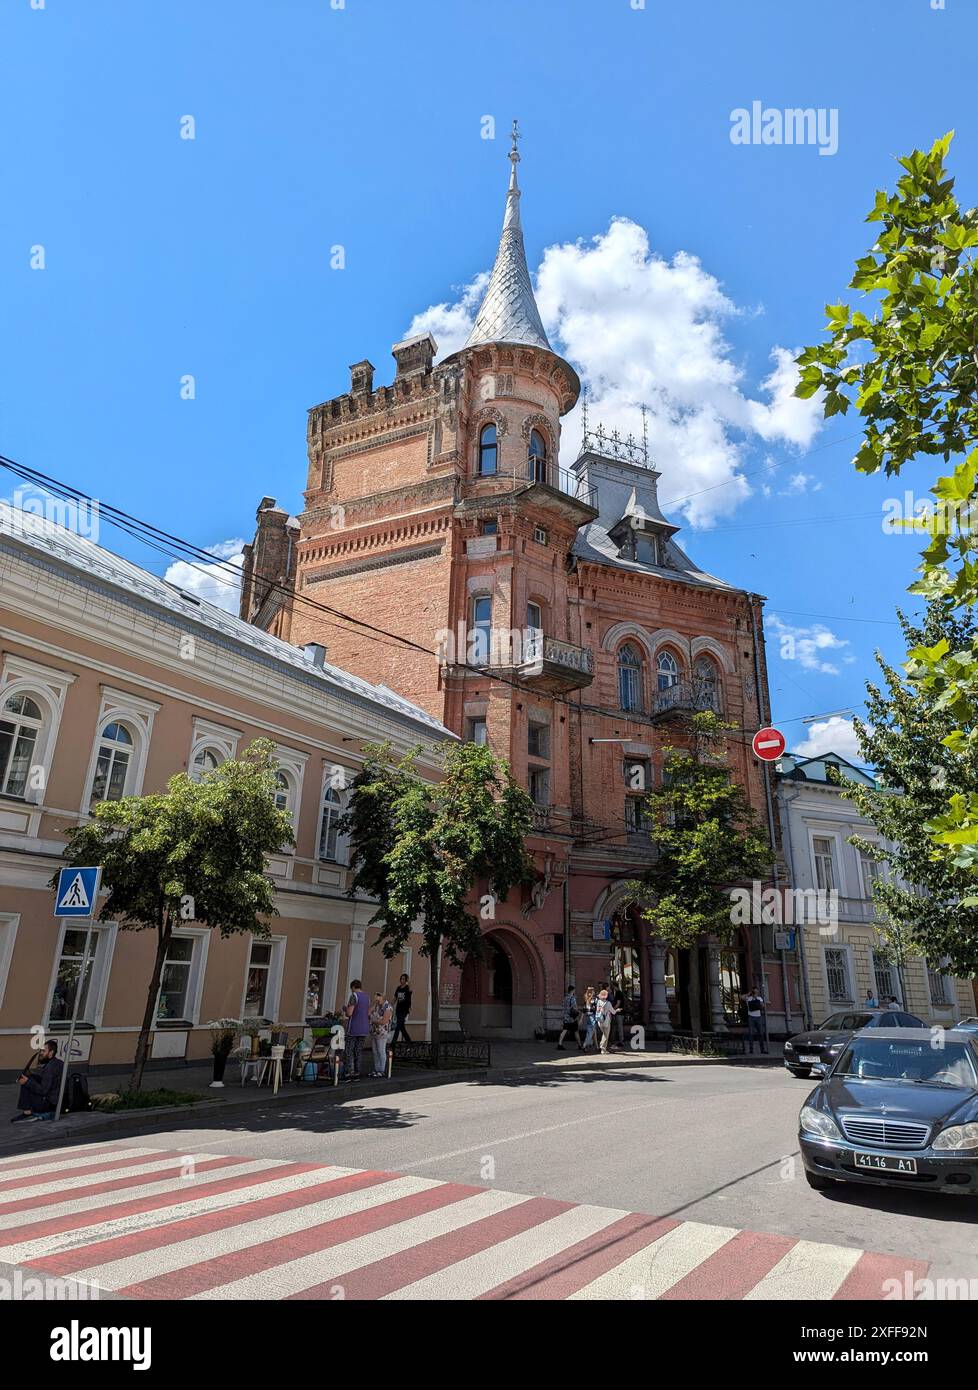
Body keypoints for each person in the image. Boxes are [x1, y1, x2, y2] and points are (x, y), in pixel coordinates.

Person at [11, 1041, 63, 1122]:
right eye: (41, 1051)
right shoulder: (58, 1063)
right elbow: (49, 1081)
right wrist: (31, 1076)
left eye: (43, 1051)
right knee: (29, 1078)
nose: (41, 1053)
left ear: (51, 1052)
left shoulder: (49, 1068)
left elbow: (43, 1090)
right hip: (55, 1099)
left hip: (48, 1103)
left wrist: (28, 1081)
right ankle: (28, 1110)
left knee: (26, 1083)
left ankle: (27, 1112)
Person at [343, 979, 370, 1080]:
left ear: (353, 987)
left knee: (349, 1050)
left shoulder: (354, 996)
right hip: (364, 1027)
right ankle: (357, 1073)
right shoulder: (367, 997)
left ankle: (349, 1073)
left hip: (354, 1027)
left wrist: (345, 1009)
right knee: (358, 1050)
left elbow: (349, 1013)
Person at [368, 992, 393, 1077]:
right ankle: (376, 1069)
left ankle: (381, 1070)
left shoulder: (387, 1007)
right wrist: (375, 1004)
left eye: (378, 997)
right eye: (375, 997)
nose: (376, 999)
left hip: (382, 1033)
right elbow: (368, 1013)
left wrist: (373, 1021)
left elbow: (384, 1021)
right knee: (375, 1051)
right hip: (375, 1032)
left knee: (381, 1050)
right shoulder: (377, 1006)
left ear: (382, 997)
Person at [744, 986, 767, 1054]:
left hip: (758, 1017)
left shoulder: (759, 998)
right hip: (751, 1017)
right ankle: (751, 1050)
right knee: (751, 1034)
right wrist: (749, 994)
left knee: (761, 1033)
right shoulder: (749, 998)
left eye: (757, 992)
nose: (756, 993)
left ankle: (762, 1049)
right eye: (754, 992)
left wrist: (757, 999)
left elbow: (763, 1006)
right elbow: (742, 998)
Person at [557, 985, 580, 1050]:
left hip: (566, 1017)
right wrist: (578, 1013)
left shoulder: (565, 998)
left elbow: (563, 1006)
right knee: (576, 1031)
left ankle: (559, 1044)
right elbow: (574, 1007)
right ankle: (580, 1045)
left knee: (564, 1030)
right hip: (572, 1018)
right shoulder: (572, 998)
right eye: (574, 990)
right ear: (572, 990)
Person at [594, 989, 617, 1054]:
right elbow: (613, 1012)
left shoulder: (598, 1002)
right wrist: (617, 1010)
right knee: (606, 1035)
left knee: (604, 1034)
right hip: (606, 1021)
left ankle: (604, 1049)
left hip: (599, 1020)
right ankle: (602, 1047)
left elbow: (597, 1010)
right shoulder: (608, 1003)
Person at [392, 974, 412, 1044]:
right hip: (398, 1009)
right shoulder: (398, 988)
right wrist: (391, 1005)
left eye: (404, 979)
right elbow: (395, 998)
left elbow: (409, 999)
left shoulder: (407, 988)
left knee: (398, 1026)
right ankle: (409, 1042)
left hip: (404, 1010)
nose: (402, 980)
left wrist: (409, 1007)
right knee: (402, 1027)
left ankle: (393, 1044)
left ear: (406, 980)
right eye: (401, 979)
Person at [581, 986, 598, 1052]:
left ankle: (595, 1046)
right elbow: (584, 1009)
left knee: (592, 1032)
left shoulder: (587, 1000)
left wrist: (581, 1019)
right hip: (591, 1017)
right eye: (590, 992)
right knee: (590, 1033)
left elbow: (583, 1010)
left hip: (588, 1017)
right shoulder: (591, 1000)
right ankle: (584, 1045)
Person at [610, 982, 626, 1050]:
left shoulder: (618, 993)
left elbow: (618, 1003)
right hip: (618, 1013)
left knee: (619, 1027)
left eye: (612, 986)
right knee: (616, 1026)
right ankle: (615, 1040)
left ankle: (621, 1041)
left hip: (619, 1013)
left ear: (614, 986)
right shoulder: (618, 992)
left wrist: (613, 1010)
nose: (611, 987)